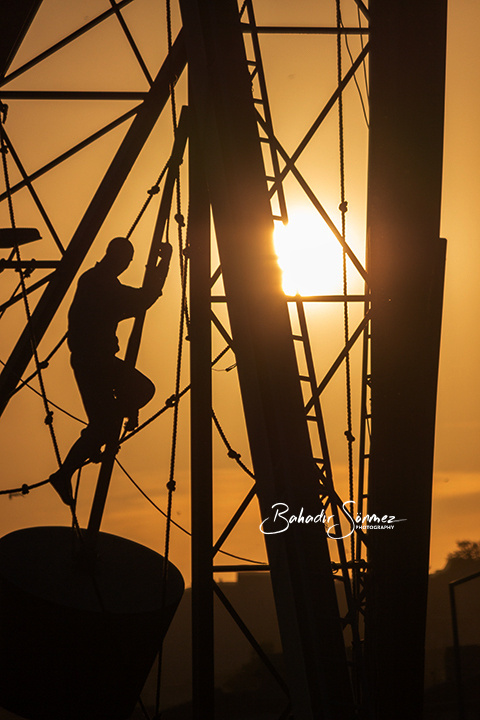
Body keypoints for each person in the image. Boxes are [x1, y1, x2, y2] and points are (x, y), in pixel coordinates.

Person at [49, 236, 172, 506]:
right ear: (117, 258)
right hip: (94, 363)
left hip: (95, 362)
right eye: (126, 261)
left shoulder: (96, 281)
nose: (126, 266)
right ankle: (66, 471)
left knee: (111, 418)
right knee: (121, 409)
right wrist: (164, 264)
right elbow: (142, 299)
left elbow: (138, 299)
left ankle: (72, 465)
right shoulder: (98, 284)